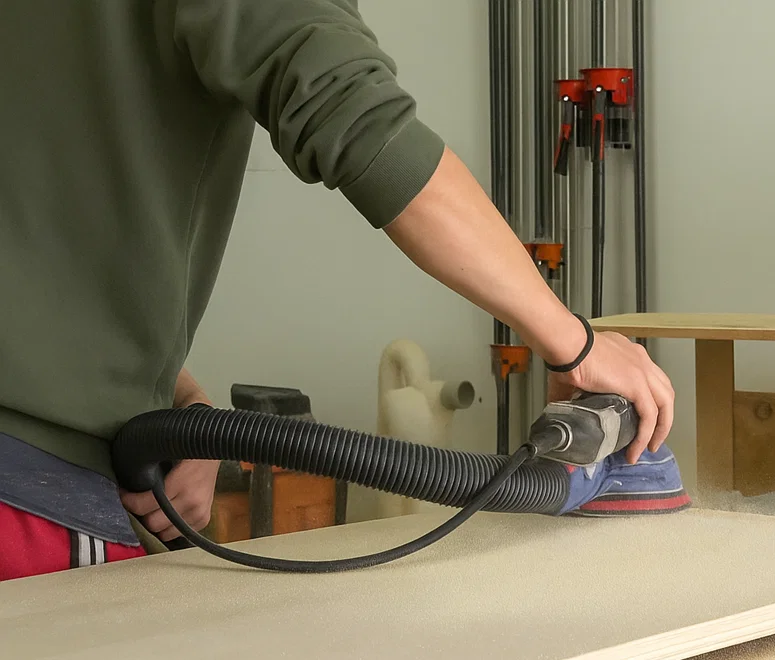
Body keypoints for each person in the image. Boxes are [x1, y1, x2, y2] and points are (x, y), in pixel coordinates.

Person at [0, 1, 674, 582]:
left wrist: (176, 398)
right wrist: (572, 342)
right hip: (26, 492)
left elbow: (46, 213)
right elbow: (365, 131)